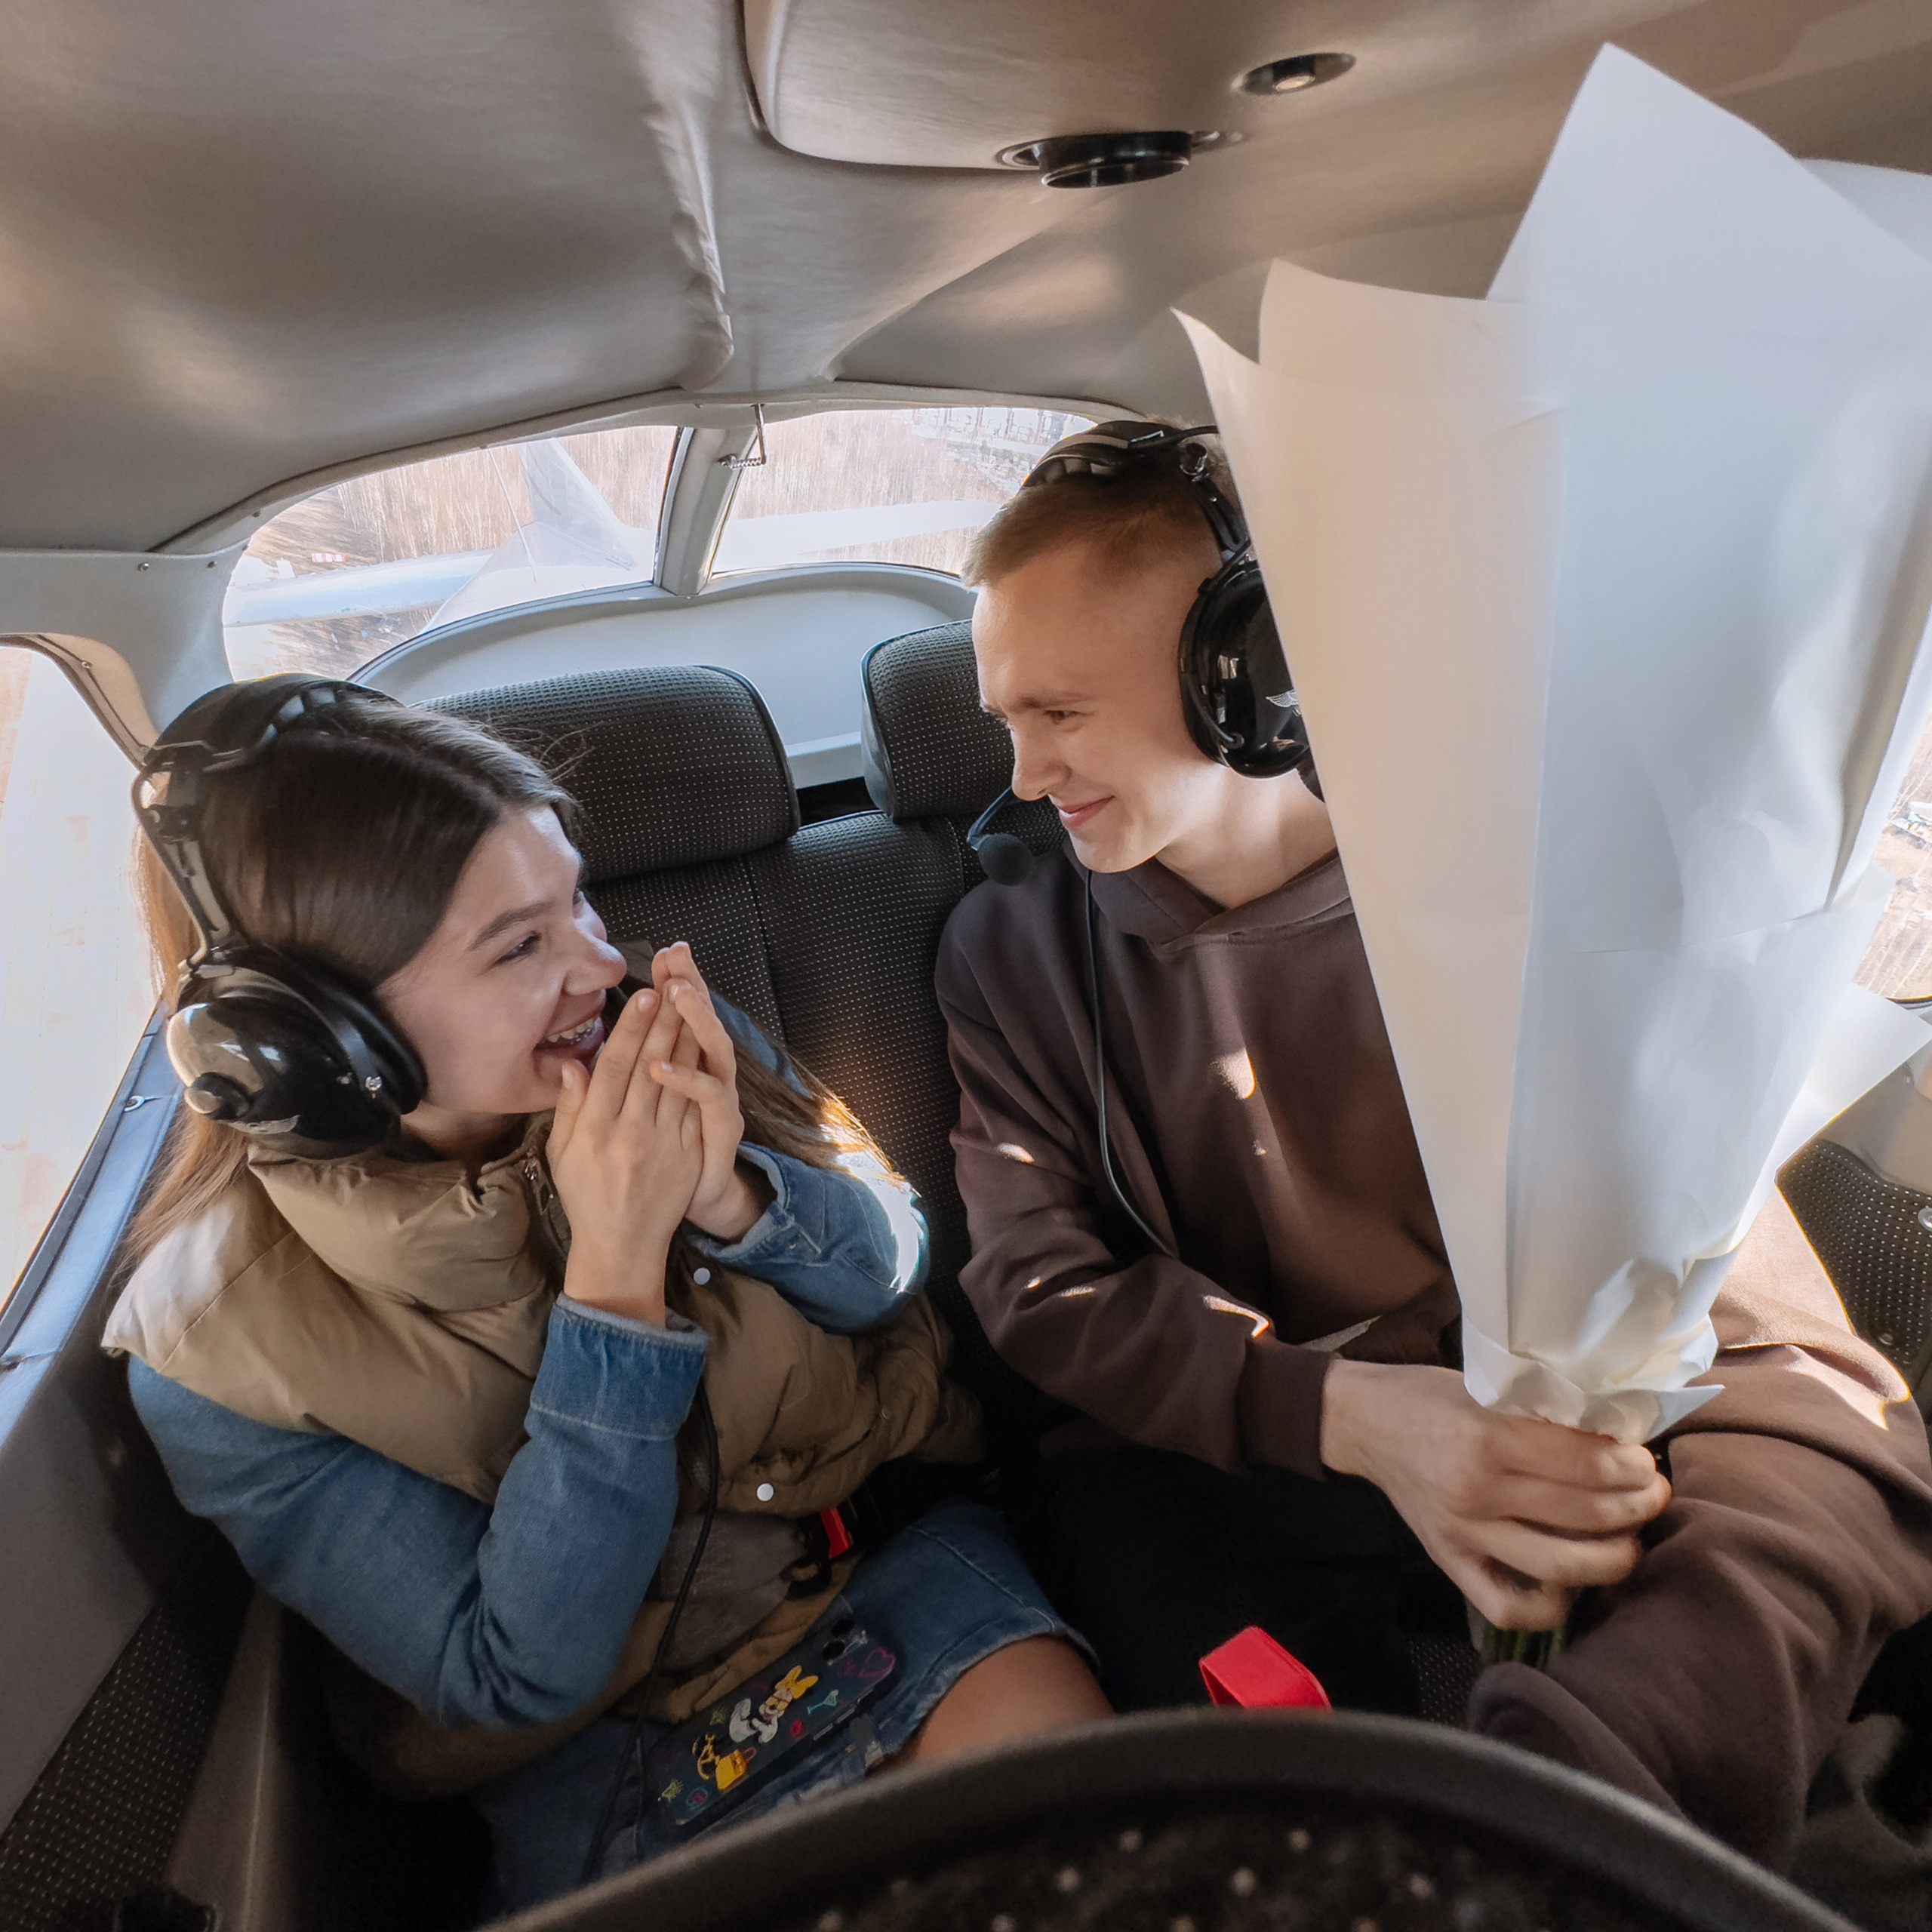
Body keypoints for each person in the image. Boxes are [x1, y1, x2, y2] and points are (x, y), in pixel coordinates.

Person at [935, 422, 1932, 1869]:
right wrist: (1351, 1420)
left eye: (1063, 714)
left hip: (1560, 1380)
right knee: (1197, 1673)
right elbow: (1036, 1284)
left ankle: (1554, 1845)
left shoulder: (1514, 869)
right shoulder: (1009, 952)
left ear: (1250, 679)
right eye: (1002, 721)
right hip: (1245, 1449)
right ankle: (1369, 1862)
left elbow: (1731, 1276)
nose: (1025, 775)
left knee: (1825, 1446)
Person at [106, 686, 1106, 1913]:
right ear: (326, 1041)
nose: (598, 960)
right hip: (601, 1757)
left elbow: (893, 1267)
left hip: (879, 1584)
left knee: (1109, 1879)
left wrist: (738, 1198)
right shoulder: (213, 1352)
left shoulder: (662, 1035)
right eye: (517, 945)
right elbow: (513, 1677)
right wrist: (617, 1286)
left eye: (574, 894)